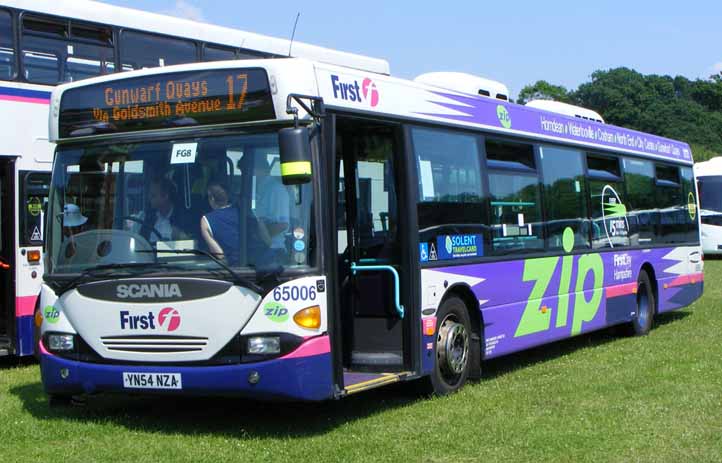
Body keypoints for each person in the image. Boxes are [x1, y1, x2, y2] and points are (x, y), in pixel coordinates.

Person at [129, 177, 194, 243]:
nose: (149, 198)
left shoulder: (184, 219)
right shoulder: (143, 217)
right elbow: (131, 240)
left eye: (153, 195)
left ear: (165, 196)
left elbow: (192, 245)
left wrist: (181, 236)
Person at [252, 154, 291, 254]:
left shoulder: (276, 190)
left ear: (259, 169)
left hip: (274, 250)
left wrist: (258, 234)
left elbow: (283, 225)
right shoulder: (257, 187)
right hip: (257, 247)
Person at [200, 180, 240, 265]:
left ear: (212, 199)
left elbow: (219, 255)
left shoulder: (206, 220)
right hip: (258, 266)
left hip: (235, 269)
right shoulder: (244, 212)